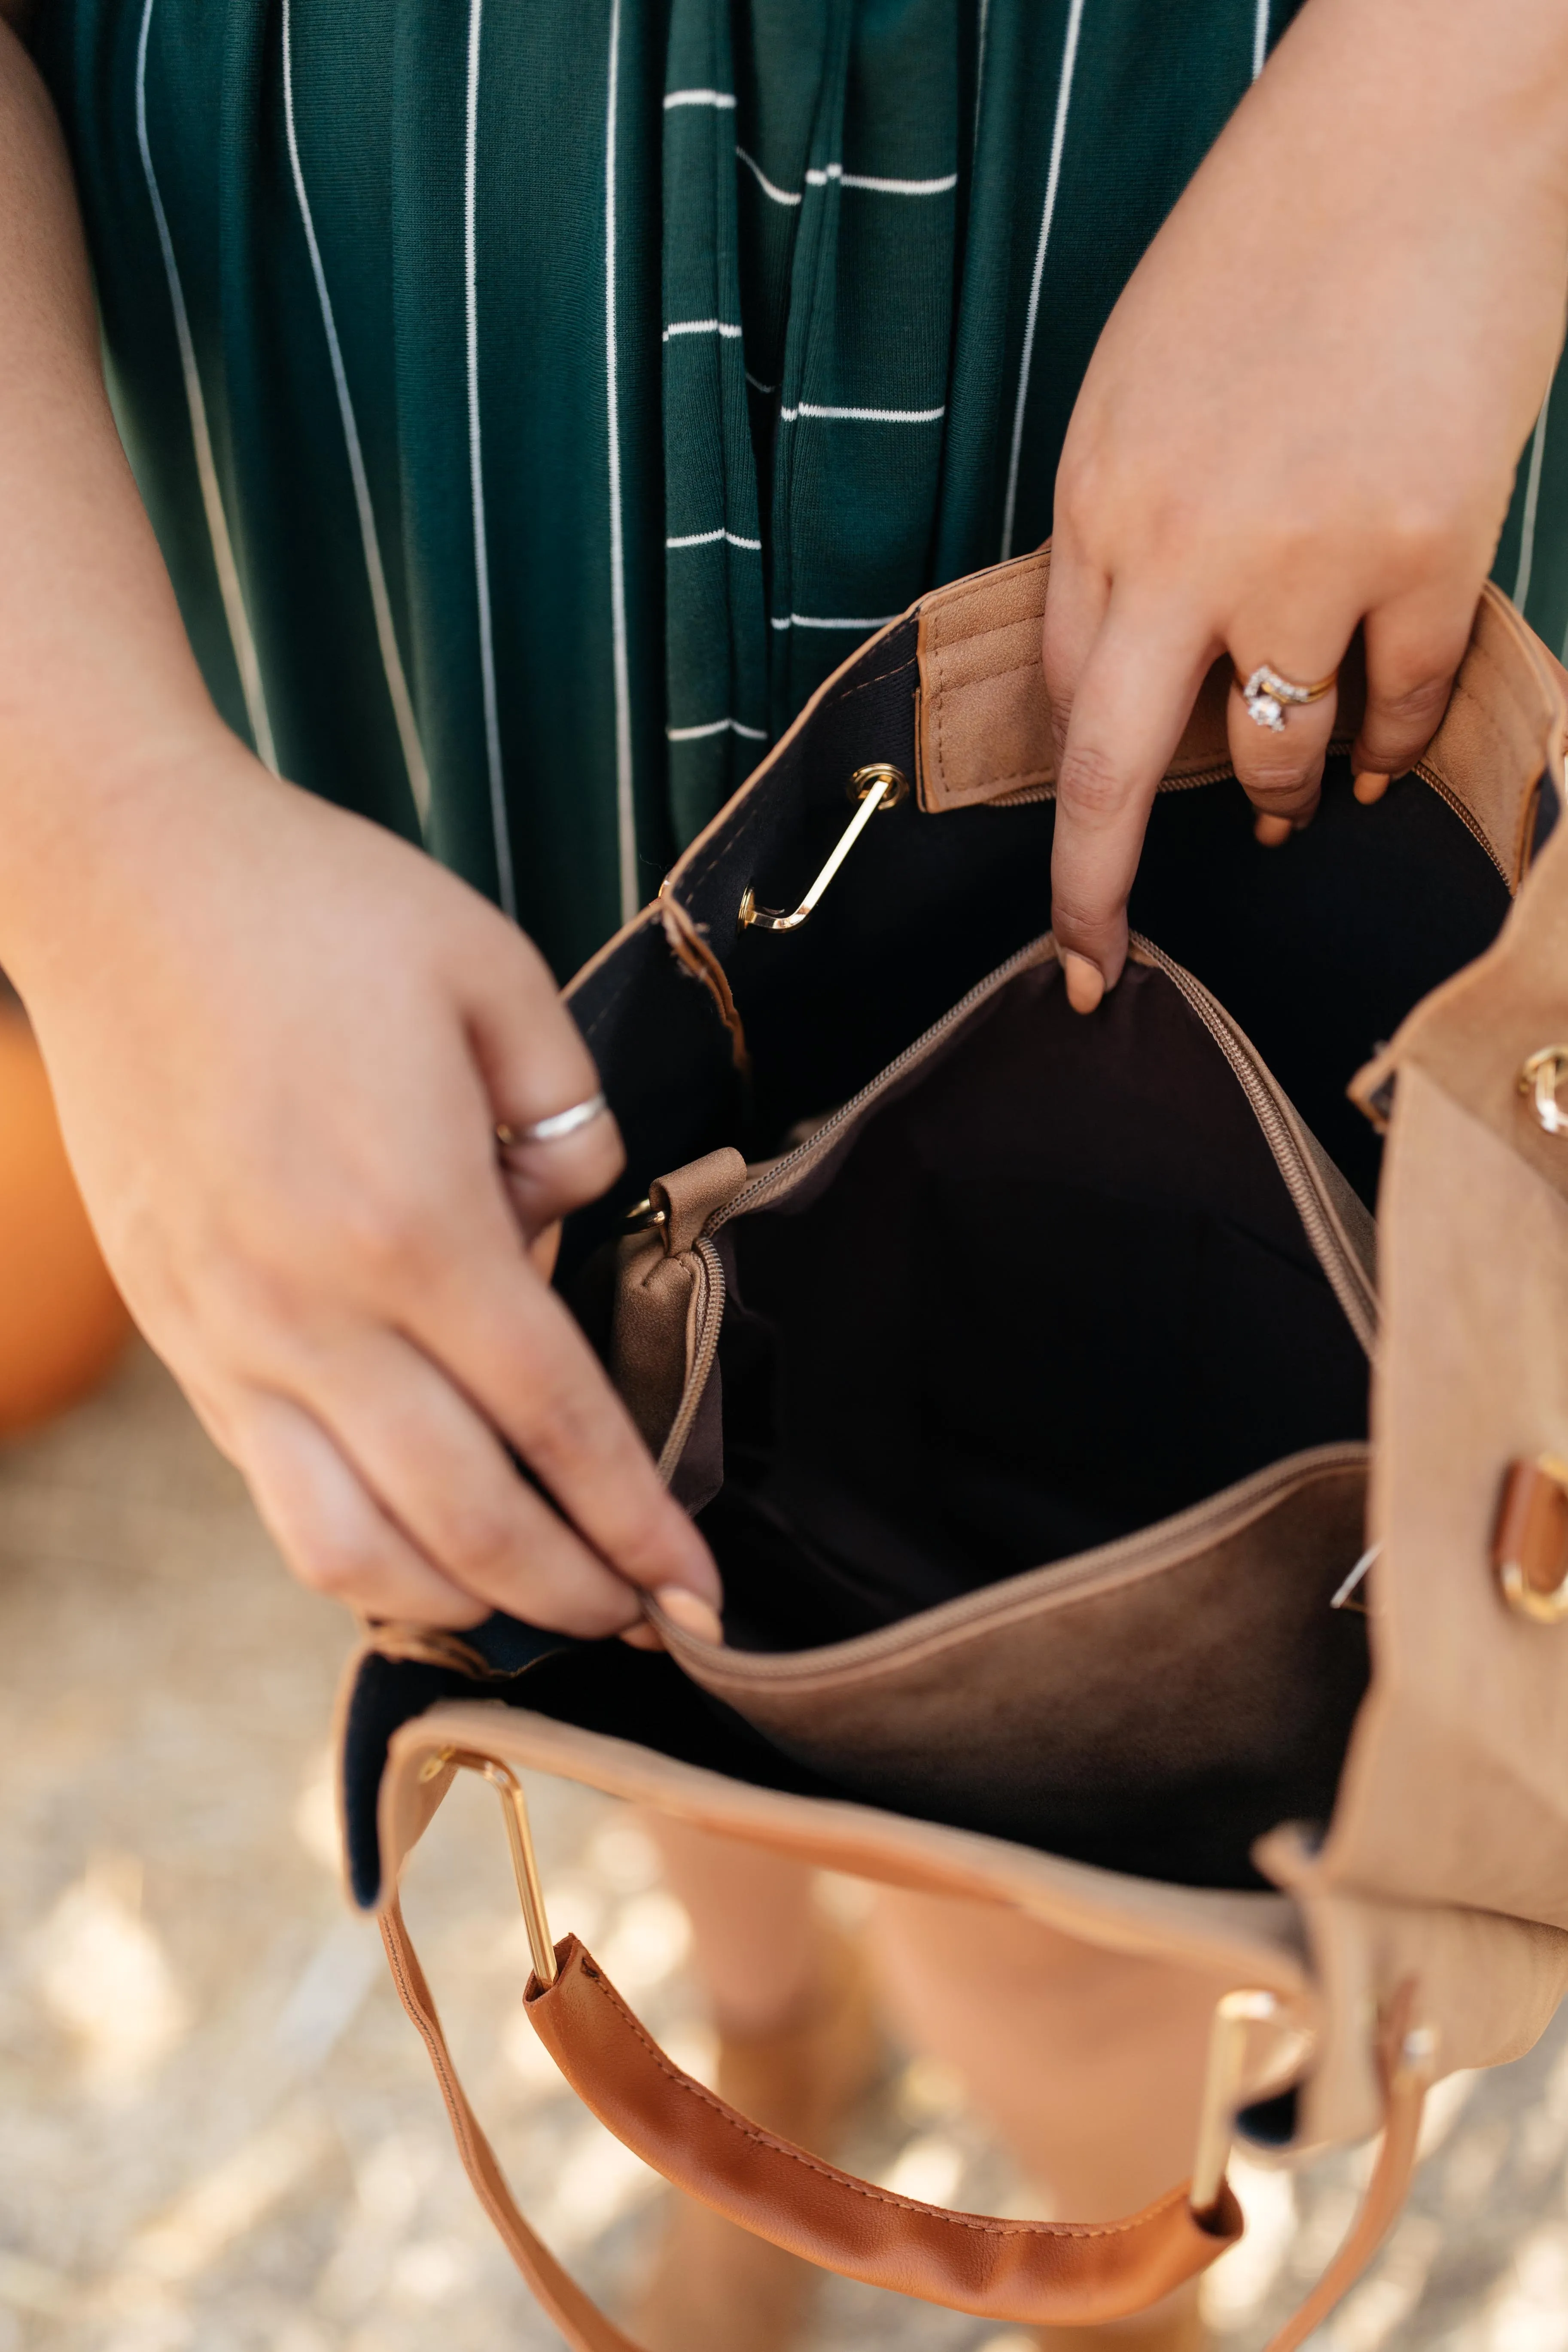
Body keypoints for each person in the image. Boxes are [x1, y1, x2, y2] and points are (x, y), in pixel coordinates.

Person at [3, 1, 1566, 2346]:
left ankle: (1102, 2265)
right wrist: (93, 831)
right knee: (588, 1482)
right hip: (417, 376)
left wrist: (1476, 89)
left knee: (1105, 1669)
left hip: (1256, 229)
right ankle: (765, 2016)